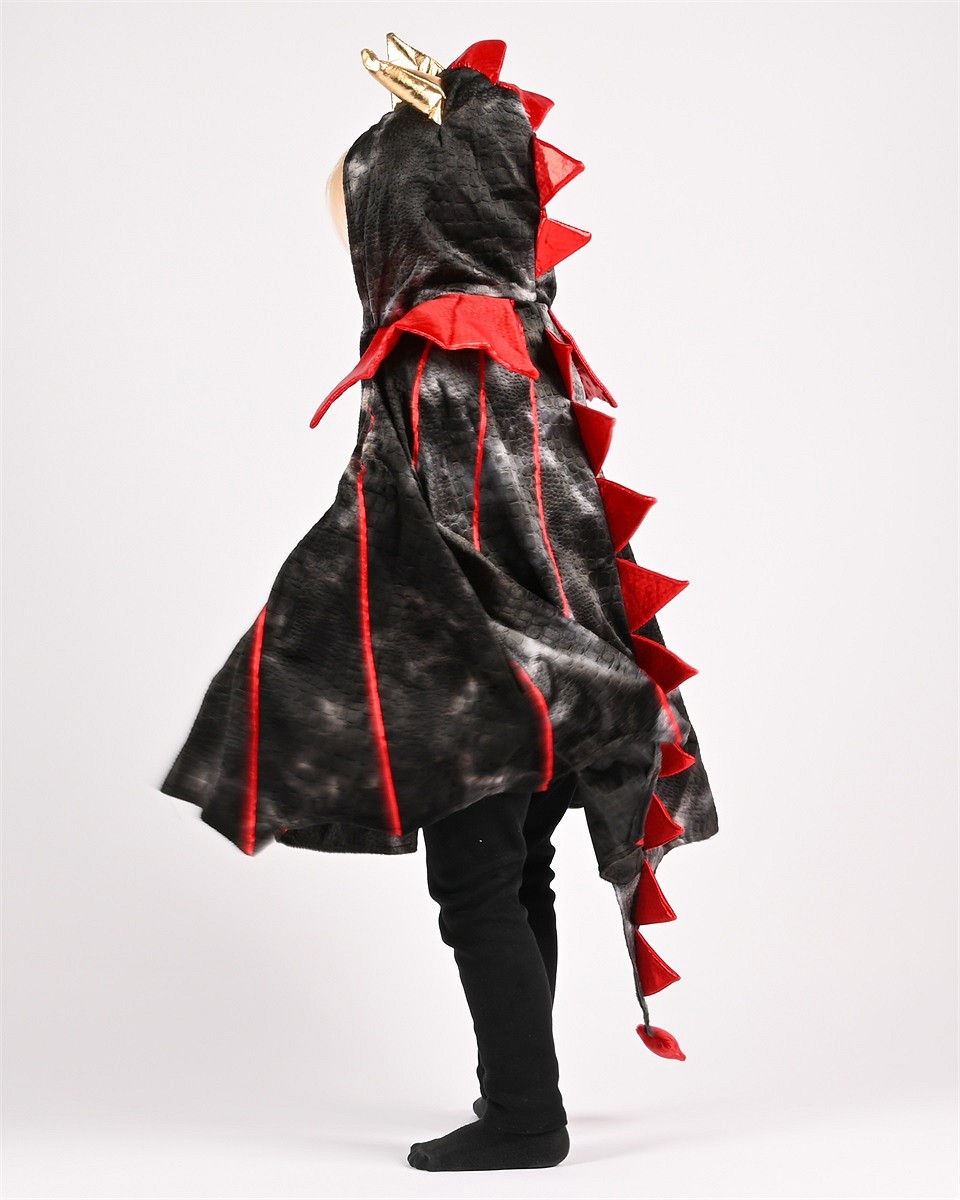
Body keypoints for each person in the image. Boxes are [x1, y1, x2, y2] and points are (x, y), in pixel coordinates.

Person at [157, 35, 719, 1173]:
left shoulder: (436, 366)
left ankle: (524, 1118)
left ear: (401, 217)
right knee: (513, 869)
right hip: (565, 662)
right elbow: (553, 529)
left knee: (476, 879)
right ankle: (521, 1094)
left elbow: (446, 551)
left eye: (362, 214)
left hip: (497, 671)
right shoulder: (527, 348)